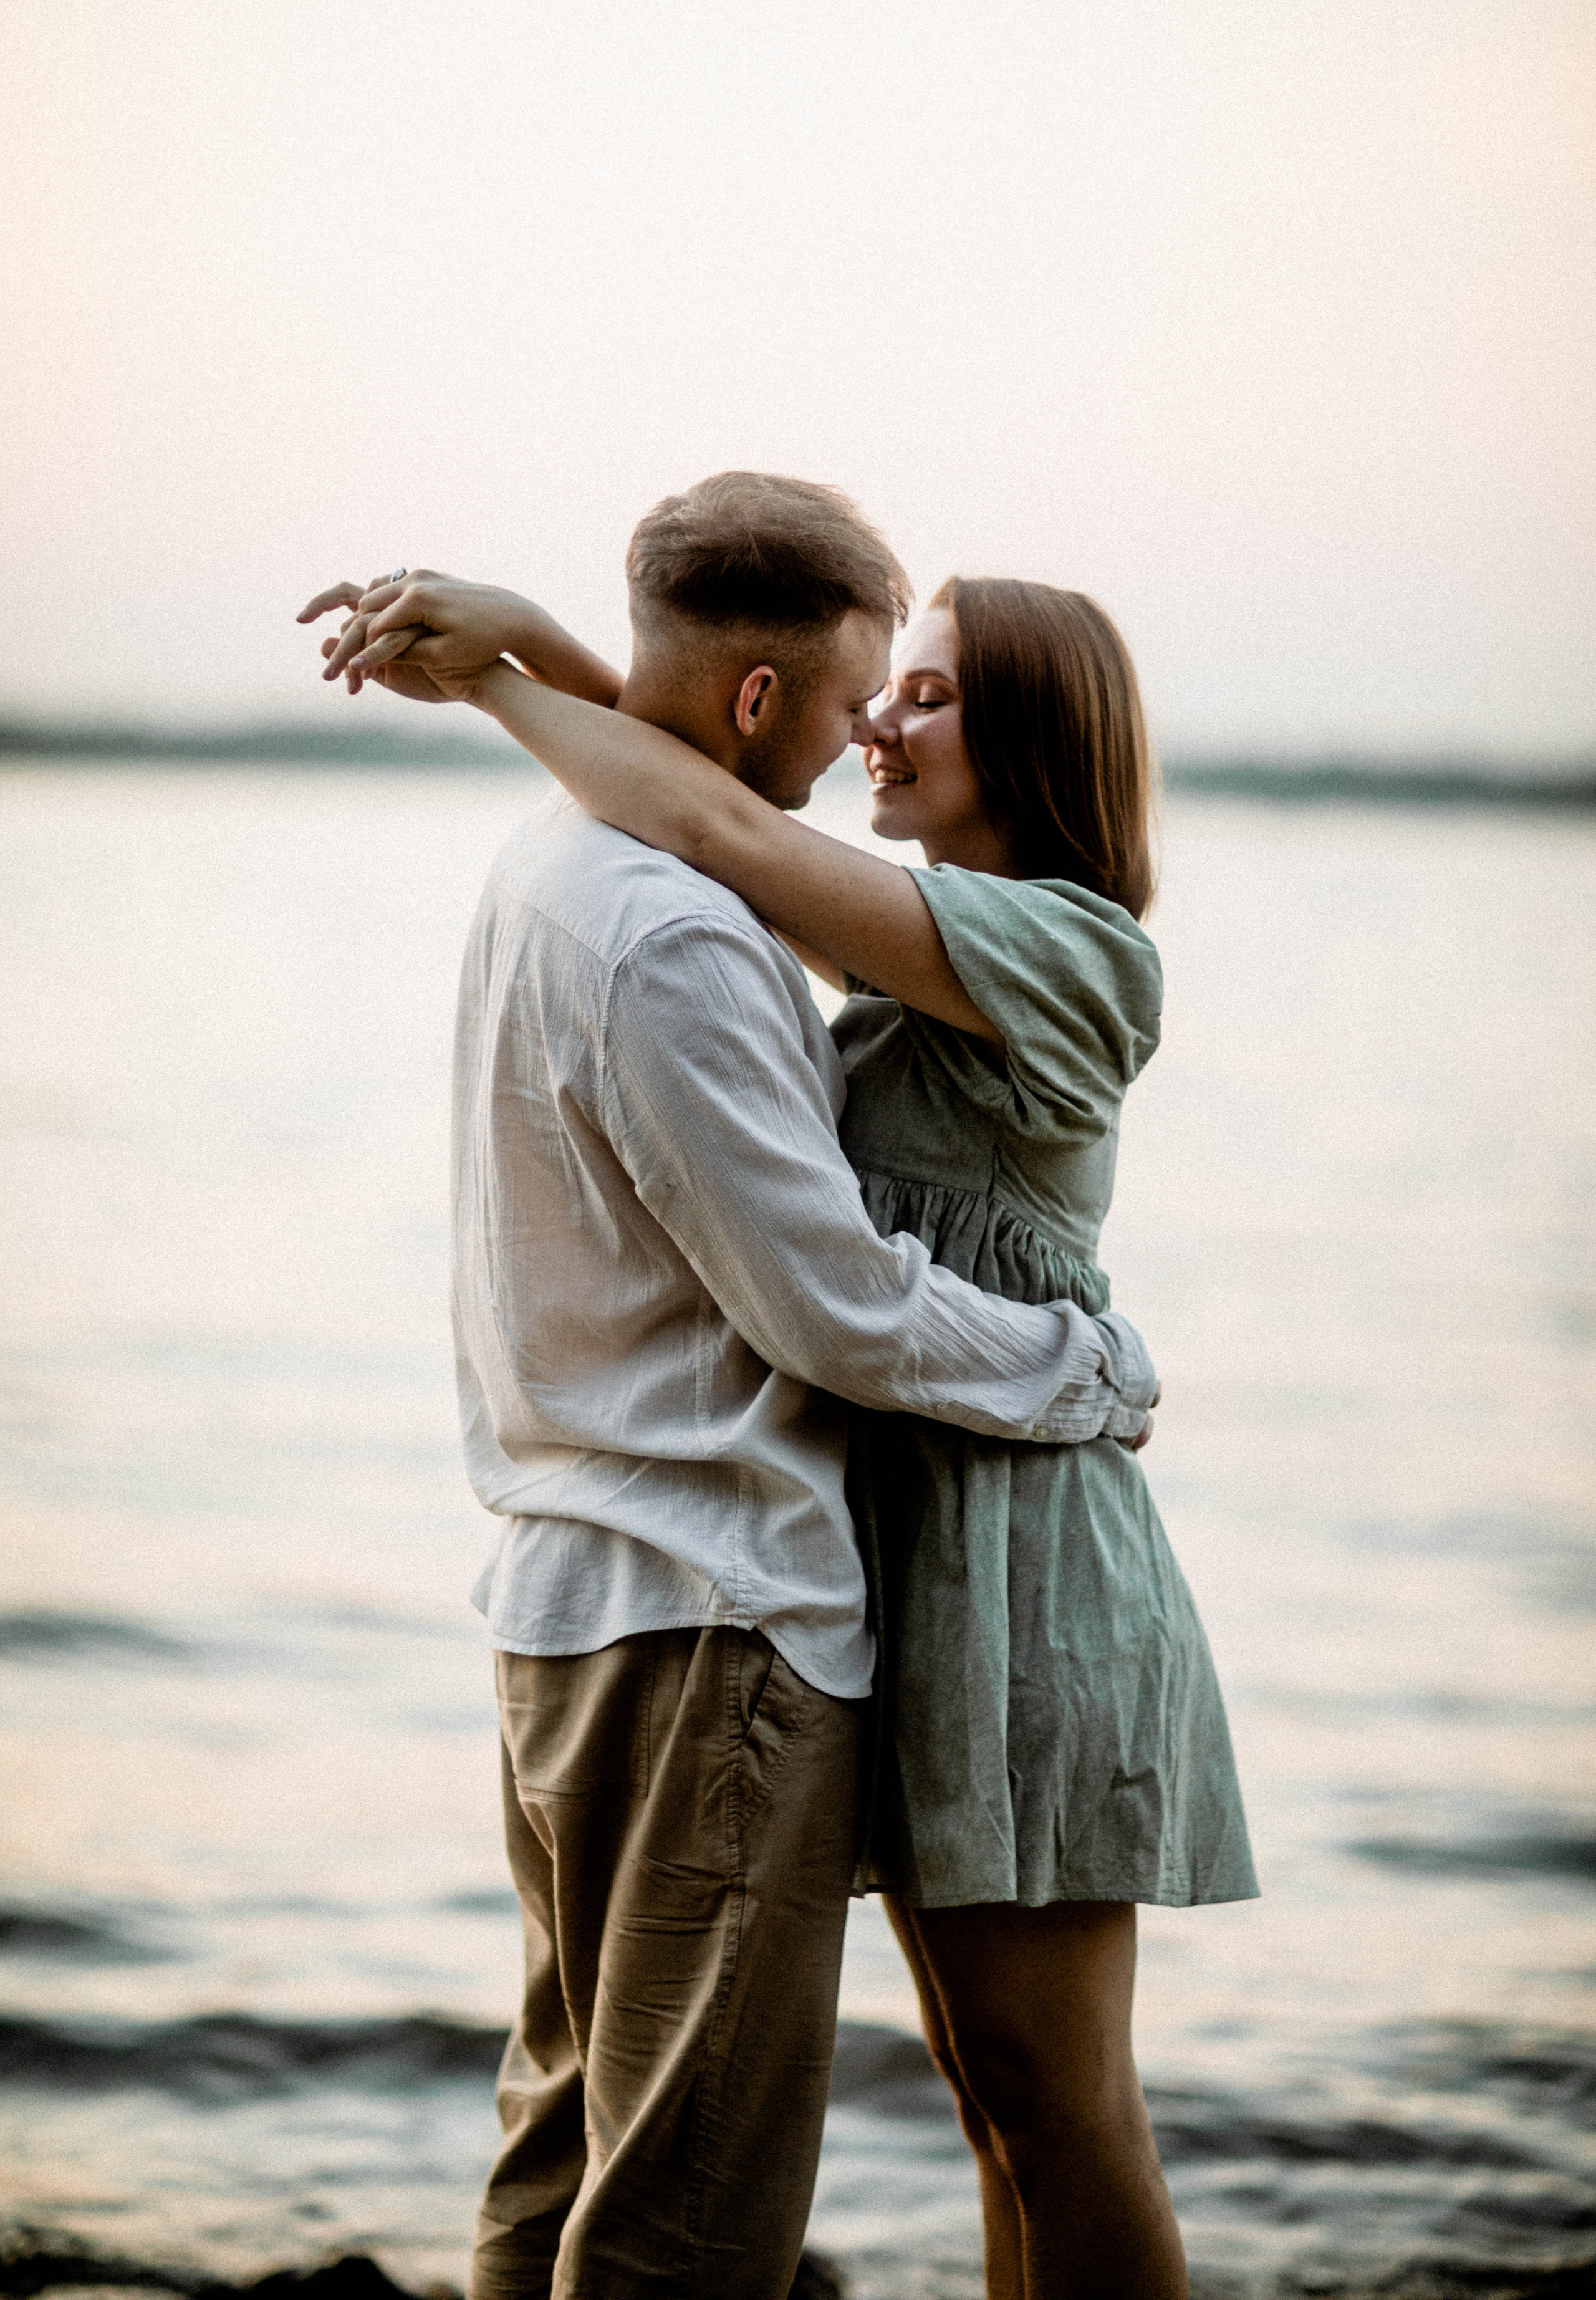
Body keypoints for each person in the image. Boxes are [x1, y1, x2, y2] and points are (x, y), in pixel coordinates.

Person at [300, 474, 1165, 2300]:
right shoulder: (779, 924)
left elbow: (714, 807)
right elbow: (708, 804)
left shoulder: (1058, 951)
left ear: (1041, 734)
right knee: (959, 2105)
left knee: (1048, 2102)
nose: (883, 725)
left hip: (1003, 1551)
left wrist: (517, 662)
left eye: (929, 693)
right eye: (883, 687)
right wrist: (535, 660)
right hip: (828, 1559)